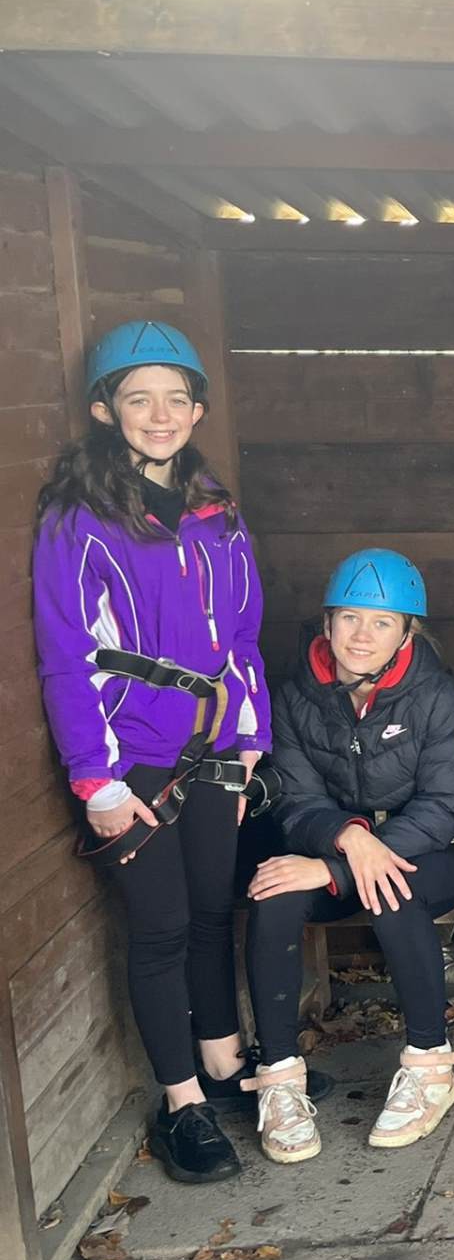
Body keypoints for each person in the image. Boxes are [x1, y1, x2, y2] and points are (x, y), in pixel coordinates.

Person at [32, 321, 272, 1184]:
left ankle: (223, 1062)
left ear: (198, 409)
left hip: (213, 748)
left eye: (176, 398)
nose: (160, 414)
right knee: (162, 926)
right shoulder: (80, 521)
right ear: (106, 409)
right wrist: (94, 781)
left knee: (211, 911)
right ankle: (182, 1105)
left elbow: (242, 636)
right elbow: (66, 655)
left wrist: (250, 739)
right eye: (140, 398)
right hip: (130, 755)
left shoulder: (217, 513)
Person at [242, 548, 454, 1161]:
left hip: (427, 852)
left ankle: (430, 1067)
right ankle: (280, 1079)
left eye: (381, 622)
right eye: (349, 618)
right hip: (329, 845)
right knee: (274, 894)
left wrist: (339, 867)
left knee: (391, 893)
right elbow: (296, 798)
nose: (362, 635)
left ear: (406, 634)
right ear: (327, 623)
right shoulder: (295, 693)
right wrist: (346, 841)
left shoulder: (435, 693)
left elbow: (443, 806)